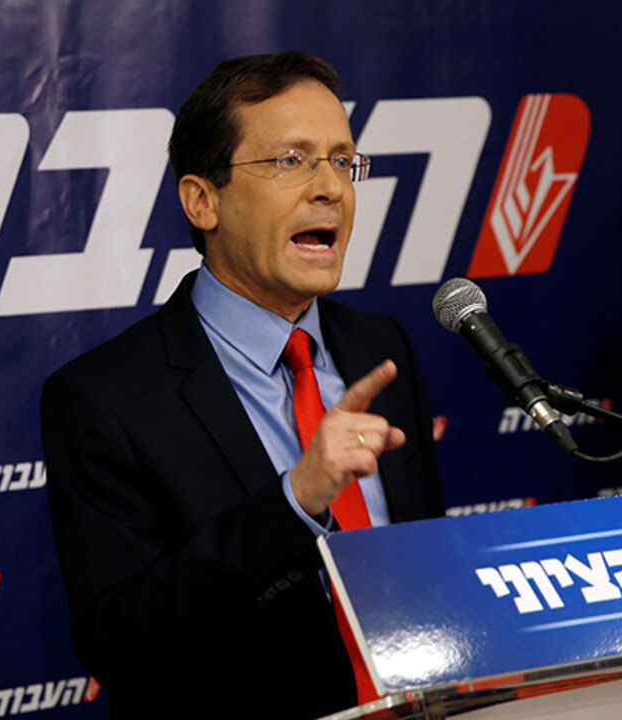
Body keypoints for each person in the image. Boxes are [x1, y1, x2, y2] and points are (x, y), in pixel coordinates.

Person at [41, 51, 443, 719]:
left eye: (343, 161)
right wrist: (295, 503)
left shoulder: (381, 349)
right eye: (292, 161)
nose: (330, 189)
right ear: (204, 200)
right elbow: (119, 641)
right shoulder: (105, 398)